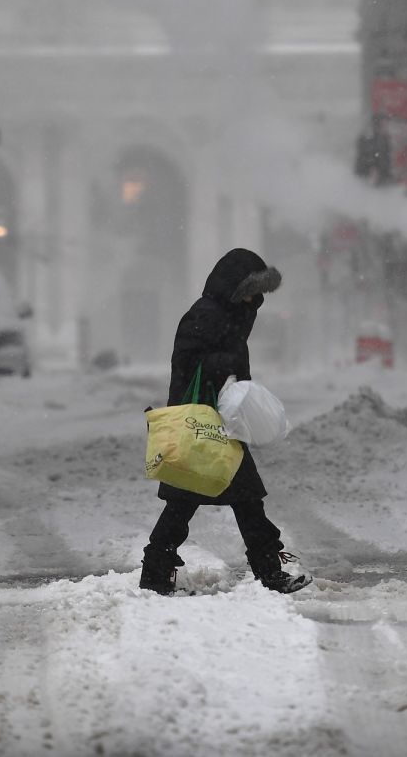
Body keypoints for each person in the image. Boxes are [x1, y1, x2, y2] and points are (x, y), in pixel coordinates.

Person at [138, 248, 310, 596]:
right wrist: (227, 368)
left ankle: (159, 571)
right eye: (250, 289)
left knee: (230, 499)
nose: (254, 298)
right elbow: (186, 365)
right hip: (201, 421)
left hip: (220, 420)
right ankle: (265, 570)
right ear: (232, 287)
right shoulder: (205, 315)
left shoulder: (229, 314)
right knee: (222, 499)